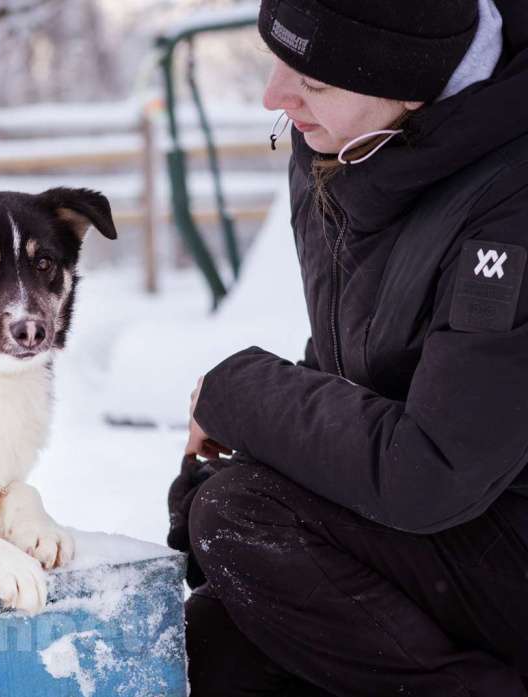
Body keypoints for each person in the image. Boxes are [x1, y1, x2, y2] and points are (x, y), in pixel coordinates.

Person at [167, 0, 528, 694]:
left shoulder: (510, 202)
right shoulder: (349, 144)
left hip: (500, 530)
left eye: (316, 79)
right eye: (277, 59)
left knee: (243, 518)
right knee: (220, 640)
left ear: (409, 80)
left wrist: (238, 394)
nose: (274, 95)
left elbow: (435, 467)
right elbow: (361, 371)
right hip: (456, 534)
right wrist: (262, 447)